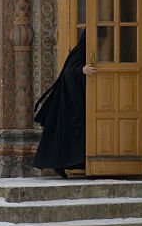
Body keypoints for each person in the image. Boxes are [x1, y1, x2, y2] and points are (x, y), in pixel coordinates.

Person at [32, 29, 97, 178]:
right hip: (69, 100)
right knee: (68, 132)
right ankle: (60, 165)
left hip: (77, 97)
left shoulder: (92, 50)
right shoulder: (81, 50)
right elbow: (68, 72)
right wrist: (82, 70)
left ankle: (81, 164)